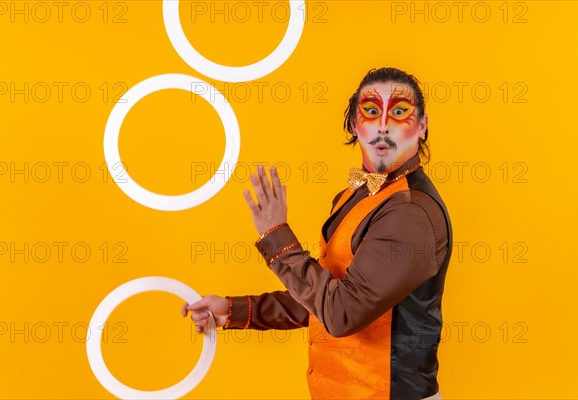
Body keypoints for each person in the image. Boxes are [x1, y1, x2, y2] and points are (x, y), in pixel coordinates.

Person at [182, 67, 453, 400]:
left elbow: (342, 313)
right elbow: (327, 296)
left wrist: (276, 236)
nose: (383, 124)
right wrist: (237, 310)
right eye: (370, 111)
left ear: (421, 126)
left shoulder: (409, 213)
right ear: (355, 125)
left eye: (399, 112)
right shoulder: (356, 196)